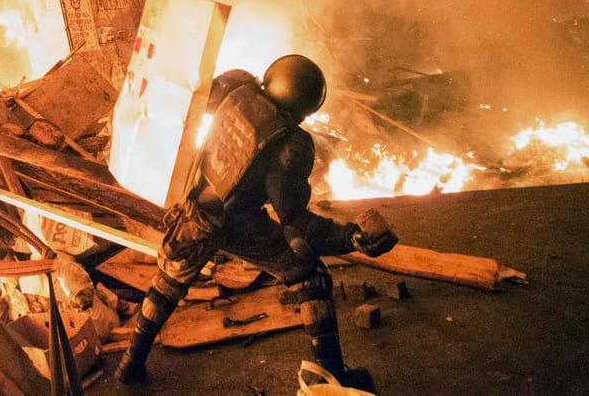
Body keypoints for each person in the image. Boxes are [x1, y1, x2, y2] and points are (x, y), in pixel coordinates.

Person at [114, 54, 398, 391]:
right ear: (305, 109)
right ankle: (330, 377)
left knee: (168, 281)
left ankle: (130, 363)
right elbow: (297, 224)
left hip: (194, 207)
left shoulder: (235, 86)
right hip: (238, 223)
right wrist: (351, 237)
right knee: (310, 274)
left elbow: (185, 109)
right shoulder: (291, 144)